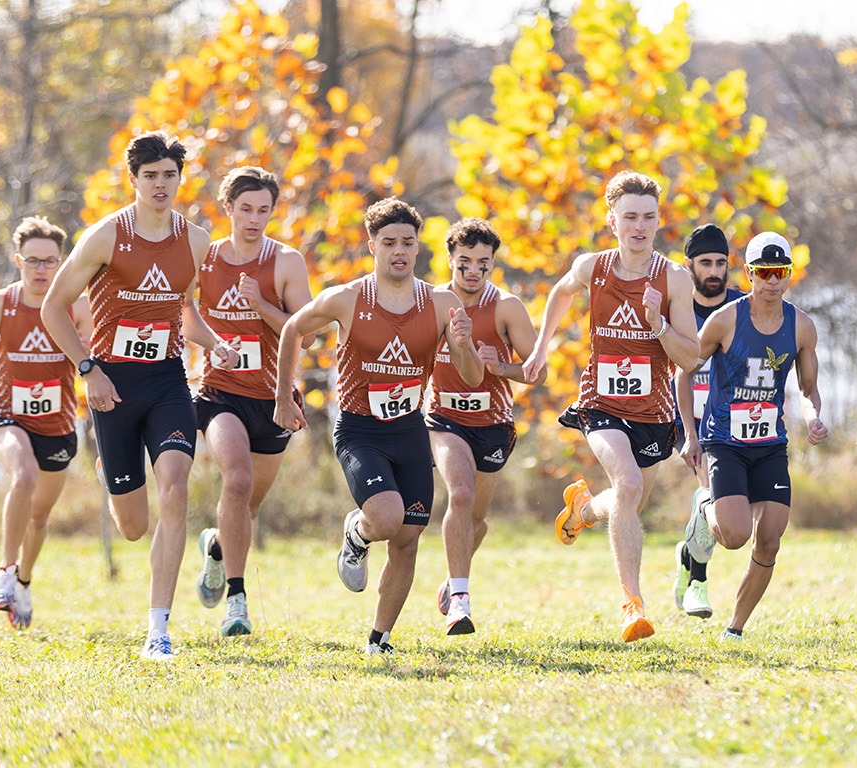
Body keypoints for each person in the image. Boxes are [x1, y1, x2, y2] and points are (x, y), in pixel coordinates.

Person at [41, 130, 239, 661]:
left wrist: (215, 345)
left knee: (175, 487)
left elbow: (188, 313)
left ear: (180, 178)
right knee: (132, 527)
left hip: (167, 379)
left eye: (168, 175)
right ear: (133, 180)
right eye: (149, 175)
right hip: (113, 385)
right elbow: (53, 308)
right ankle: (114, 466)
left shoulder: (197, 242)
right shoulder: (106, 237)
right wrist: (88, 369)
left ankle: (159, 629)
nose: (160, 184)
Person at [273, 197, 482, 654]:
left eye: (408, 242)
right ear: (373, 245)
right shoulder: (347, 298)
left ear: (418, 246)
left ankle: (378, 638)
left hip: (410, 429)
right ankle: (358, 531)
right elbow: (292, 330)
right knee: (386, 519)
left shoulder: (442, 302)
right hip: (359, 430)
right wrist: (283, 394)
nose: (400, 251)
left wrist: (463, 345)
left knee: (408, 538)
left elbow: (471, 376)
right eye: (389, 242)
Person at [522, 170, 699, 643]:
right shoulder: (592, 268)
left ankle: (582, 510)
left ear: (659, 220)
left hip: (655, 413)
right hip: (601, 402)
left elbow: (691, 356)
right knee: (628, 481)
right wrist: (541, 349)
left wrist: (658, 324)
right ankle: (632, 605)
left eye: (648, 216)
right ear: (612, 220)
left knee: (629, 499)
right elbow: (560, 292)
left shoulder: (674, 279)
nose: (639, 226)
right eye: (630, 217)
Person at [0, 216, 93, 630]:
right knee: (22, 476)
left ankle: (23, 581)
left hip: (59, 427)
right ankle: (5, 573)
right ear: (18, 261)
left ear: (61, 264)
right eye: (34, 261)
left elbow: (98, 360)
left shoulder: (75, 307)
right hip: (9, 417)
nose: (42, 269)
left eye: (51, 262)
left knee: (40, 517)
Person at [675, 233, 828, 641]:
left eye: (780, 273)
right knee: (735, 536)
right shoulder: (726, 319)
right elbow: (685, 369)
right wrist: (691, 436)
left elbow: (809, 387)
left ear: (789, 275)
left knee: (770, 540)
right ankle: (705, 506)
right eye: (764, 273)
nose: (772, 281)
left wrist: (815, 416)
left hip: (770, 445)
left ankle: (735, 629)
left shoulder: (802, 327)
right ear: (750, 273)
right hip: (724, 441)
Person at [190, 166, 313, 637]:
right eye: (246, 209)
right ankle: (237, 604)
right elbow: (186, 316)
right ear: (228, 208)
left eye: (264, 210)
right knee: (236, 481)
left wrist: (260, 304)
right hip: (220, 392)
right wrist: (212, 342)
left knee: (248, 506)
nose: (255, 218)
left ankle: (218, 549)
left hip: (273, 398)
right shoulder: (206, 258)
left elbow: (301, 330)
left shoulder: (285, 262)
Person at [427, 217, 540, 636]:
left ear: (492, 265)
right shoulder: (433, 302)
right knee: (459, 493)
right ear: (450, 260)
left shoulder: (507, 307)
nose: (473, 272)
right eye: (464, 263)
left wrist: (503, 366)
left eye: (482, 264)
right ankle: (461, 601)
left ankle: (452, 577)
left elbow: (536, 372)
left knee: (476, 519)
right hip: (444, 418)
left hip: (493, 423)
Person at [673, 223, 746, 620]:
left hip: (732, 420)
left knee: (723, 503)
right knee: (714, 496)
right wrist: (689, 433)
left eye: (721, 262)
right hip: (688, 417)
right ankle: (697, 584)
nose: (714, 271)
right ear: (689, 266)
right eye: (706, 263)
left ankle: (688, 556)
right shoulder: (676, 304)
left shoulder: (742, 306)